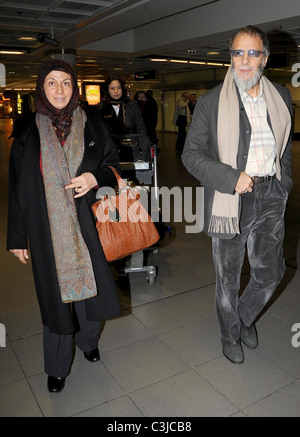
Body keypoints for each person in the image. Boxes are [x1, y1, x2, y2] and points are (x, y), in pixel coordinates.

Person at [7, 59, 121, 393]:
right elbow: (18, 187)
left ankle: (89, 342)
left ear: (75, 87)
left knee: (91, 288)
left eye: (67, 83)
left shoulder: (94, 124)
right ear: (41, 87)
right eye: (52, 83)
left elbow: (113, 166)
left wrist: (92, 177)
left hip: (88, 224)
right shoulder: (27, 130)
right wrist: (17, 236)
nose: (60, 90)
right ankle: (57, 366)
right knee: (54, 299)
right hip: (45, 228)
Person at [182, 25, 293, 364]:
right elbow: (191, 154)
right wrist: (232, 178)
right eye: (237, 53)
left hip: (271, 194)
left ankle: (242, 317)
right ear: (230, 57)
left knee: (270, 272)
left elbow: (284, 147)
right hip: (230, 200)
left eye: (252, 53)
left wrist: (283, 180)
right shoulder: (211, 102)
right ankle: (230, 334)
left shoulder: (282, 96)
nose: (244, 61)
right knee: (228, 277)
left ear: (265, 57)